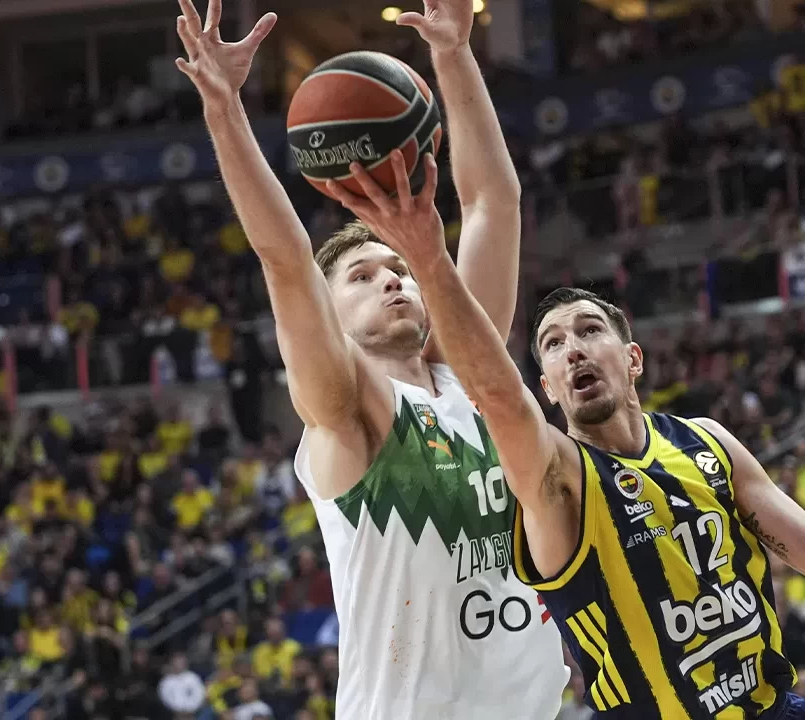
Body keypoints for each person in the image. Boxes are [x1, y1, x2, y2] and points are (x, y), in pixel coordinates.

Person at [339, 132, 805, 719]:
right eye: (552, 345)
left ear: (633, 359)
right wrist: (428, 258)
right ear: (548, 388)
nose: (573, 350)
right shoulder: (558, 477)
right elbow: (496, 394)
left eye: (589, 331)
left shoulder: (707, 442)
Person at [173, 0, 567, 718]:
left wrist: (454, 54)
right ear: (331, 318)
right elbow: (285, 260)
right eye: (362, 276)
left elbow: (492, 203)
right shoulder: (348, 412)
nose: (393, 280)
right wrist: (225, 111)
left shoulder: (472, 377)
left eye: (400, 269)